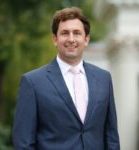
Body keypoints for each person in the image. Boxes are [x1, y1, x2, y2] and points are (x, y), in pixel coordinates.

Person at [13, 6, 120, 150]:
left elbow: (111, 135)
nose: (71, 39)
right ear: (55, 39)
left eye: (76, 33)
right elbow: (23, 143)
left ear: (86, 39)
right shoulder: (32, 82)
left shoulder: (103, 79)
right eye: (64, 33)